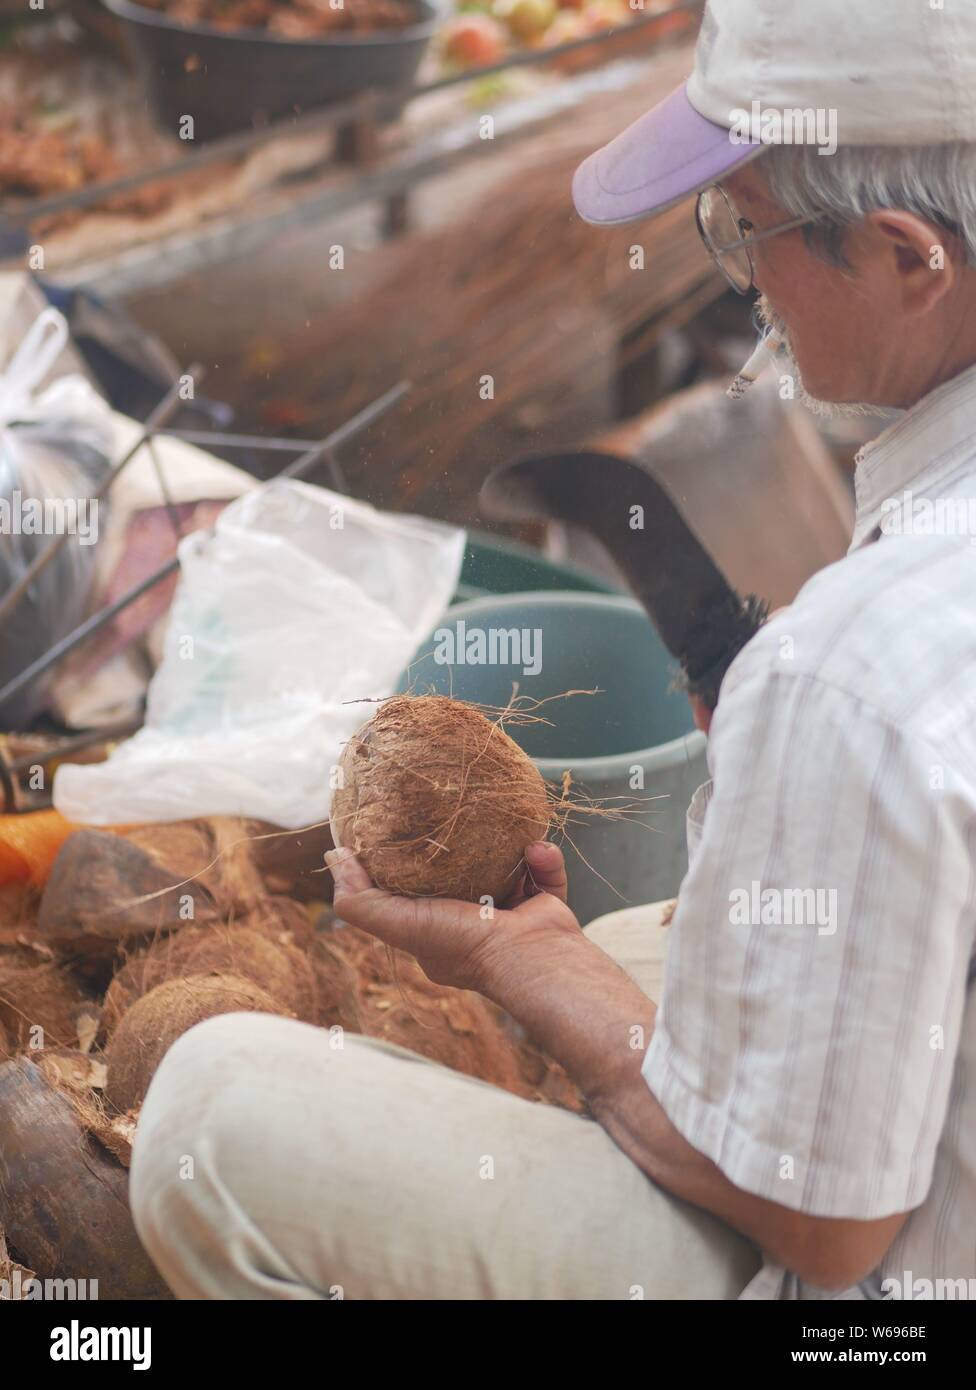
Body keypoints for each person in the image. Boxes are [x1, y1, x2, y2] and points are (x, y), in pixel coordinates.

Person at [130, 0, 976, 1300]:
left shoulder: (853, 673)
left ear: (911, 256)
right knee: (657, 932)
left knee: (210, 1116)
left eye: (744, 230)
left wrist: (516, 958)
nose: (739, 276)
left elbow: (829, 1227)